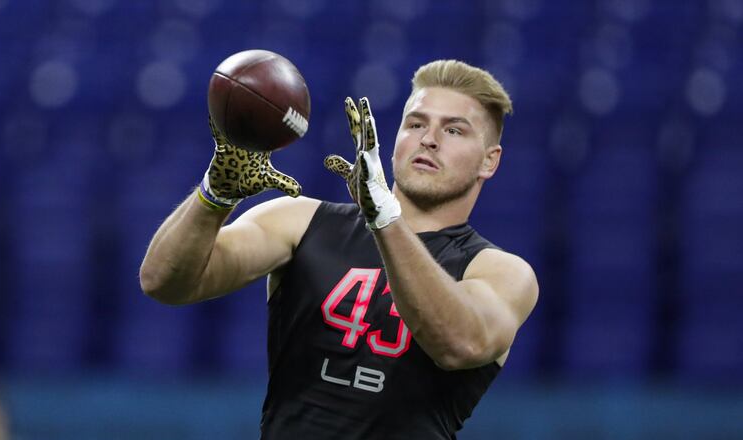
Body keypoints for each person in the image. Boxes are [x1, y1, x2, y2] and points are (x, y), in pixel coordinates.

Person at [140, 59, 538, 439]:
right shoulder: (300, 221)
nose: (428, 140)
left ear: (490, 161)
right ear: (395, 138)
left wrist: (384, 217)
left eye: (454, 130)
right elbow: (163, 282)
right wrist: (217, 192)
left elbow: (461, 343)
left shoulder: (501, 272)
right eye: (415, 124)